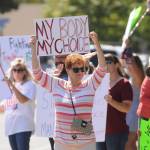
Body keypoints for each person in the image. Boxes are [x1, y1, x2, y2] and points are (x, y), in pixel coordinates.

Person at [30, 31, 107, 150]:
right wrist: (34, 48)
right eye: (76, 70)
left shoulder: (89, 84)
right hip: (62, 142)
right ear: (68, 69)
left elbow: (102, 68)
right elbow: (37, 73)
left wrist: (97, 44)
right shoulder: (57, 84)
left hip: (86, 142)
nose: (81, 72)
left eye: (82, 69)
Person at [96, 54, 133, 150]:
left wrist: (111, 101)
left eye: (109, 62)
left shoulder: (124, 83)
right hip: (100, 131)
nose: (106, 64)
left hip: (116, 132)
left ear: (117, 65)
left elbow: (127, 108)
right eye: (104, 62)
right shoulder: (101, 83)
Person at [0, 58, 36, 150]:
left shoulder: (30, 84)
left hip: (23, 126)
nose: (16, 72)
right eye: (14, 70)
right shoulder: (9, 87)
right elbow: (3, 107)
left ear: (25, 72)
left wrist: (11, 85)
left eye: (19, 70)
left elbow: (23, 100)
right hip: (11, 127)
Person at [122, 54, 145, 150]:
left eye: (130, 62)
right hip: (130, 114)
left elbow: (131, 66)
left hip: (135, 115)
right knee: (130, 144)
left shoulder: (139, 77)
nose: (127, 65)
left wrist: (128, 53)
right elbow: (122, 61)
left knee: (129, 143)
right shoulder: (131, 78)